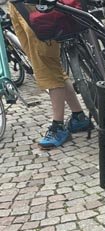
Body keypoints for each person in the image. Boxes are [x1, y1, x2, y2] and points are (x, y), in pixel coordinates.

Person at [6, 2, 91, 149]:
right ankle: (78, 116)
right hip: (16, 5)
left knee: (46, 65)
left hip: (34, 5)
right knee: (49, 66)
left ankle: (58, 126)